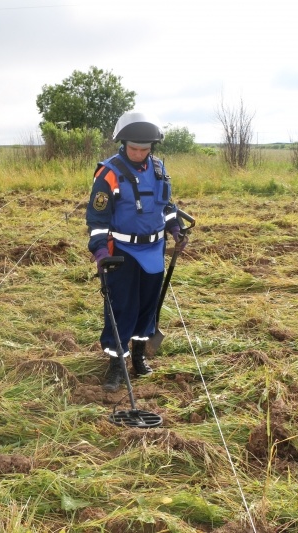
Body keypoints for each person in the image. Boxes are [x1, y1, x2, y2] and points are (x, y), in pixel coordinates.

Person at [86, 111, 189, 392]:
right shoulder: (108, 173)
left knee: (148, 308)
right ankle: (117, 365)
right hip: (122, 252)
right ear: (122, 143)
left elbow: (166, 206)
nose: (139, 154)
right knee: (121, 309)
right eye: (133, 148)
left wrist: (176, 229)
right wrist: (99, 252)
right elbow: (97, 220)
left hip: (154, 250)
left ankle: (140, 357)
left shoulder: (158, 169)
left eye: (145, 149)